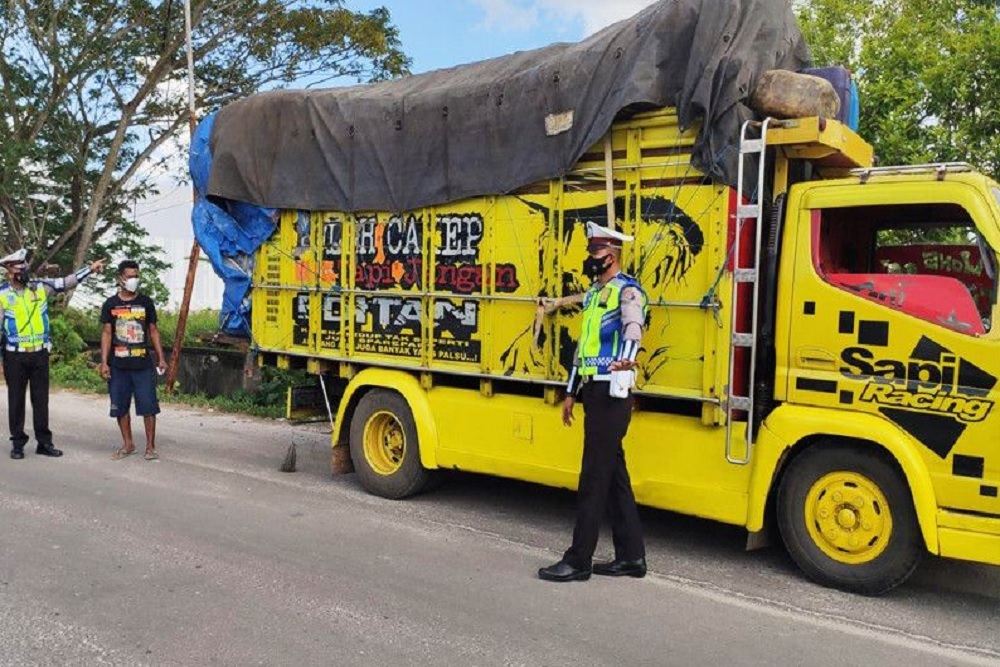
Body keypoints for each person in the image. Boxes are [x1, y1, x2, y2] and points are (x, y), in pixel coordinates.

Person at [538, 222, 649, 582]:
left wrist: (628, 357)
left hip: (613, 393)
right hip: (593, 392)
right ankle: (632, 557)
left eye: (595, 254)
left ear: (611, 256)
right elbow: (582, 350)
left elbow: (634, 327)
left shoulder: (627, 291)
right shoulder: (591, 295)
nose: (590, 260)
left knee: (593, 478)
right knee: (614, 476)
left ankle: (578, 560)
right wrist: (571, 392)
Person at [0, 249, 105, 459]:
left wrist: (89, 270)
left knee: (41, 400)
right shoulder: (2, 294)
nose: (24, 269)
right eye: (19, 267)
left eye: (25, 265)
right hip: (14, 356)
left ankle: (44, 442)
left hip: (39, 354)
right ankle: (18, 443)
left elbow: (66, 282)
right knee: (16, 400)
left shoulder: (40, 287)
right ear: (9, 271)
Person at [99, 260, 167, 461]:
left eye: (136, 276)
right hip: (118, 365)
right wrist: (104, 362)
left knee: (149, 405)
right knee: (120, 406)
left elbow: (153, 330)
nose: (133, 280)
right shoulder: (111, 304)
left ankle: (150, 447)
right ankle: (128, 444)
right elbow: (106, 333)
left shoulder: (145, 302)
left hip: (142, 365)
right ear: (120, 278)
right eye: (129, 276)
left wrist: (161, 358)